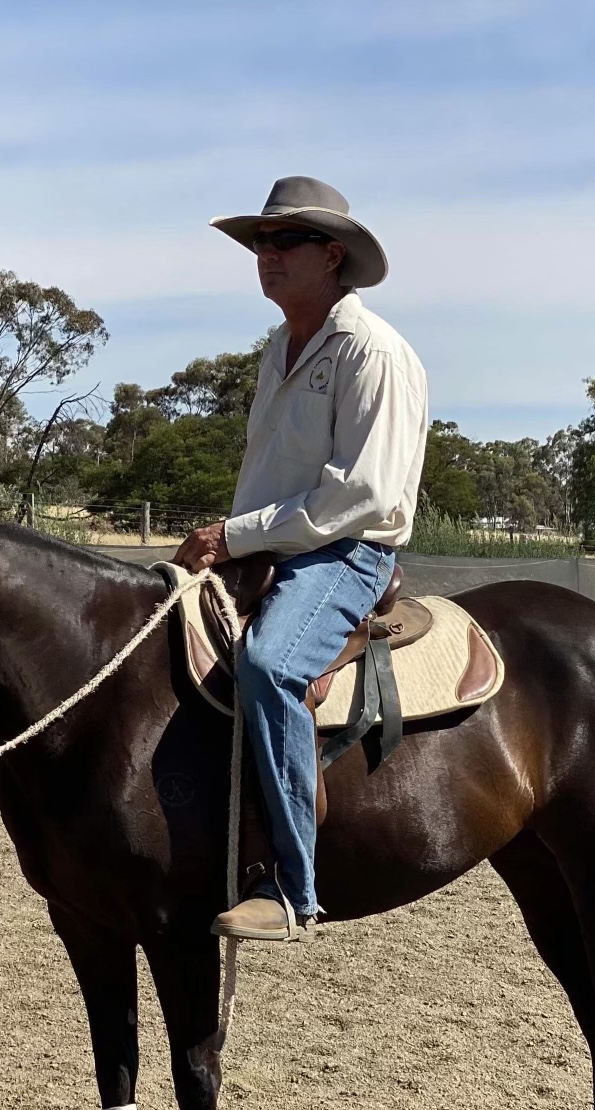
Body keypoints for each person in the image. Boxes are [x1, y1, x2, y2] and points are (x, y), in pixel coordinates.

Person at [173, 176, 428, 942]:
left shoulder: (373, 353)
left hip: (347, 551)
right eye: (260, 242)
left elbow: (362, 493)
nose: (266, 254)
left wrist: (235, 536)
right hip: (270, 545)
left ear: (333, 254)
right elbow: (265, 475)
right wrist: (229, 548)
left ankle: (292, 886)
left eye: (285, 241)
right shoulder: (278, 349)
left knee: (270, 664)